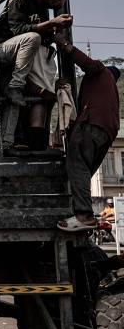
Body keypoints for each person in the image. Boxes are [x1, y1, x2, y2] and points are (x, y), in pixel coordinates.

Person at [0, 0, 72, 153]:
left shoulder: (43, 6)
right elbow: (17, 31)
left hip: (28, 53)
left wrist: (56, 35)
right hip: (5, 49)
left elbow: (43, 34)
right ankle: (16, 88)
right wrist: (52, 23)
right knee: (32, 39)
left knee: (44, 92)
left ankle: (38, 143)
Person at [55, 34, 121, 232]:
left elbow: (90, 65)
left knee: (77, 165)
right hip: (107, 131)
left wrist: (66, 46)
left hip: (91, 124)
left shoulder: (101, 72)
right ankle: (80, 213)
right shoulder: (109, 92)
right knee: (84, 171)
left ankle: (83, 215)